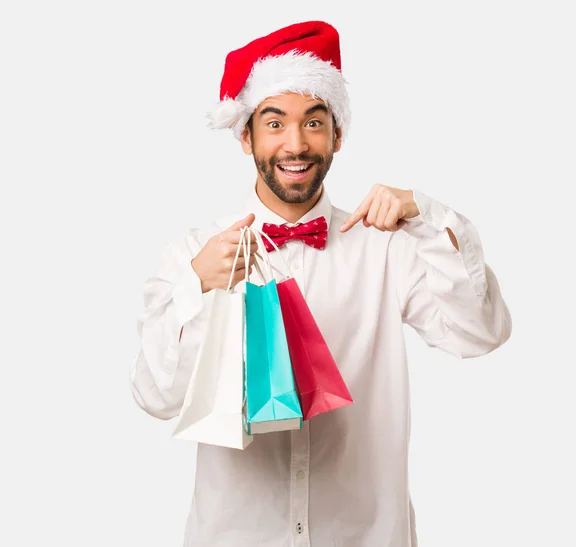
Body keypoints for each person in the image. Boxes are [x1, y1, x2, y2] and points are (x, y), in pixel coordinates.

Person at [131, 20, 512, 547]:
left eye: (314, 122)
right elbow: (156, 396)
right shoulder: (193, 254)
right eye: (274, 123)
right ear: (246, 136)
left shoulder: (387, 249)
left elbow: (482, 332)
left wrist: (428, 216)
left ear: (337, 134)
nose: (295, 144)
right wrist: (198, 287)